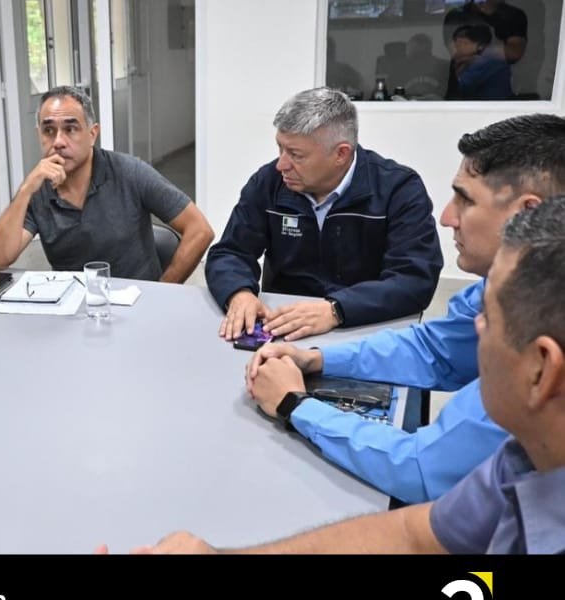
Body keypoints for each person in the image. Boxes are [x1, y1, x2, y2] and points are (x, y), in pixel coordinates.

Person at [108, 196, 565, 554]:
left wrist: (296, 405)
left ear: (542, 370)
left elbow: (420, 470)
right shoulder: (520, 462)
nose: (472, 327)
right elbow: (413, 536)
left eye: (488, 317)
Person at [243, 114, 565, 504]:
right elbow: (436, 350)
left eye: (465, 199)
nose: (447, 218)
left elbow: (422, 469)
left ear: (527, 213)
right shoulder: (503, 287)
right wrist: (317, 359)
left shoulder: (542, 331)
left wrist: (295, 404)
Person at [205, 86, 442, 343]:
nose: (281, 164)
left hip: (365, 328)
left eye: (296, 155)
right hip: (285, 327)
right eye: (280, 148)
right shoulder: (269, 183)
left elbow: (414, 278)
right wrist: (239, 293)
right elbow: (230, 252)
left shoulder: (398, 190)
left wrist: (337, 310)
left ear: (341, 153)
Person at [0, 85, 214, 282]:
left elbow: (200, 230)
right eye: (49, 131)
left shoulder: (130, 172)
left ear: (92, 134)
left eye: (70, 129)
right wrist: (26, 190)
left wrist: (161, 291)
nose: (58, 141)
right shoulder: (38, 187)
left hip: (135, 302)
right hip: (73, 306)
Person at [443, 0, 526, 99]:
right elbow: (459, 52)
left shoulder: (515, 16)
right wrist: (497, 51)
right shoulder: (457, 15)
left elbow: (514, 53)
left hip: (499, 96)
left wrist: (477, 48)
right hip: (461, 96)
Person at [448, 24, 512, 101]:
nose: (457, 46)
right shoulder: (453, 65)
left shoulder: (488, 64)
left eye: (464, 43)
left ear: (480, 46)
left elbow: (462, 87)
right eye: (456, 42)